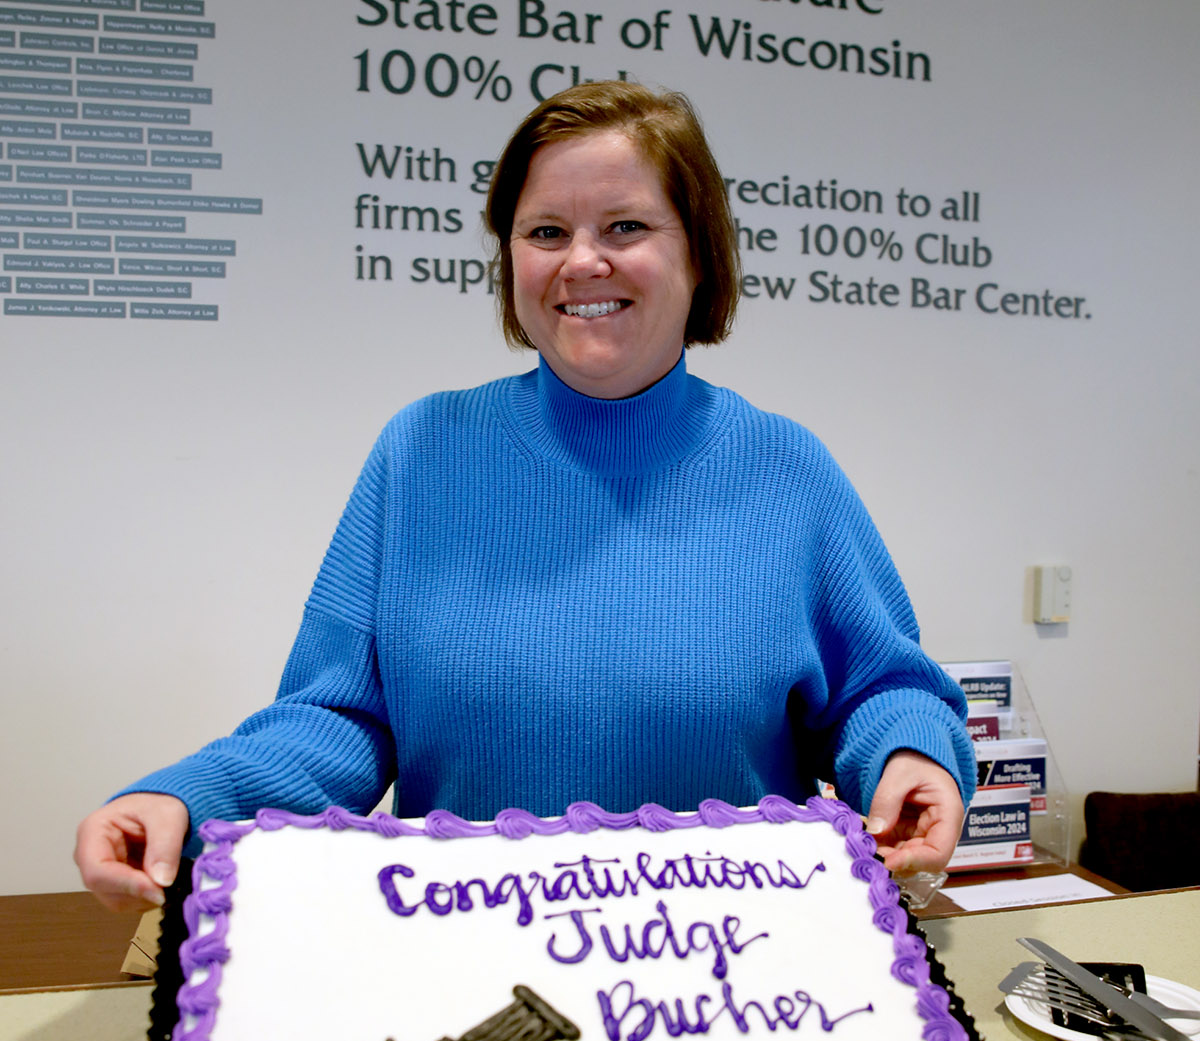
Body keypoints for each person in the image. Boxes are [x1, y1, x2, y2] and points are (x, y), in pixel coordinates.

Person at [75, 81, 974, 914]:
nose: (582, 261)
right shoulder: (420, 452)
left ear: (698, 253)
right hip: (471, 970)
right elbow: (338, 717)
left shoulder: (787, 469)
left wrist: (908, 755)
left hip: (732, 984)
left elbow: (881, 689)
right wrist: (188, 796)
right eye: (546, 232)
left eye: (625, 227)